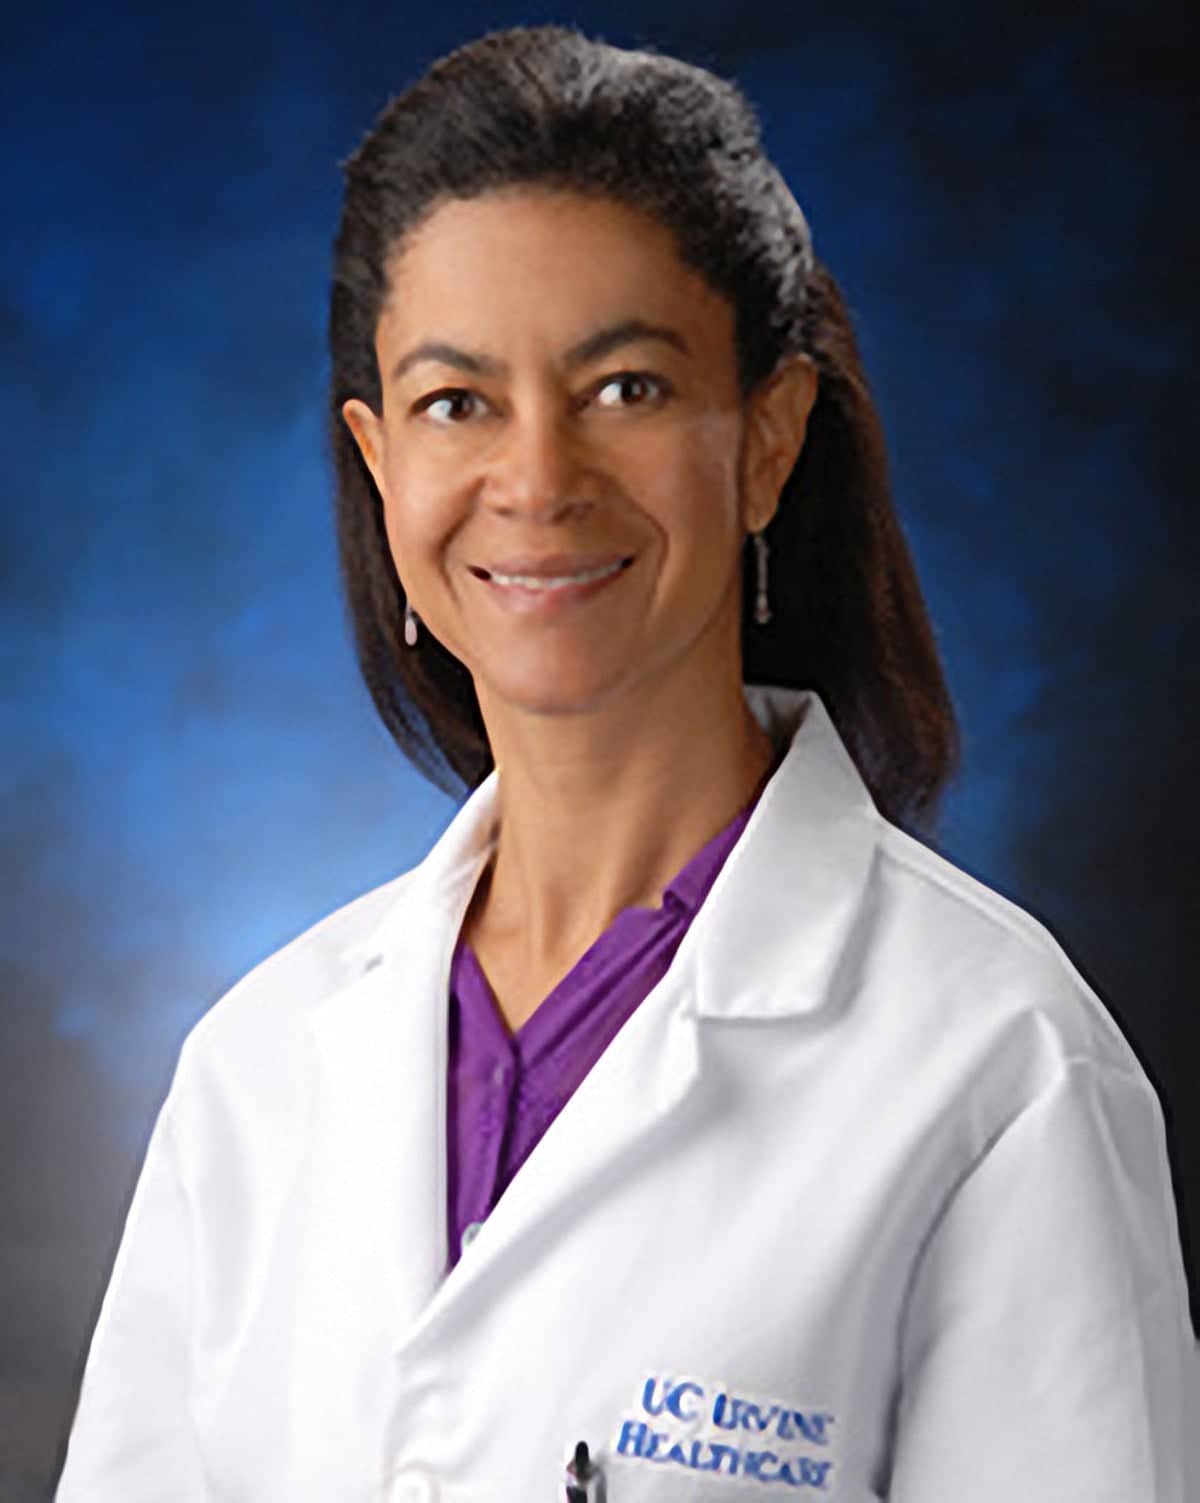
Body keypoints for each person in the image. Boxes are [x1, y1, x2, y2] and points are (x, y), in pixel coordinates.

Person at [56, 22, 1197, 1502]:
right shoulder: (256, 1072)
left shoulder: (1001, 1065)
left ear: (770, 439)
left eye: (626, 389)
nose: (537, 481)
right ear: (380, 461)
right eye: (458, 403)